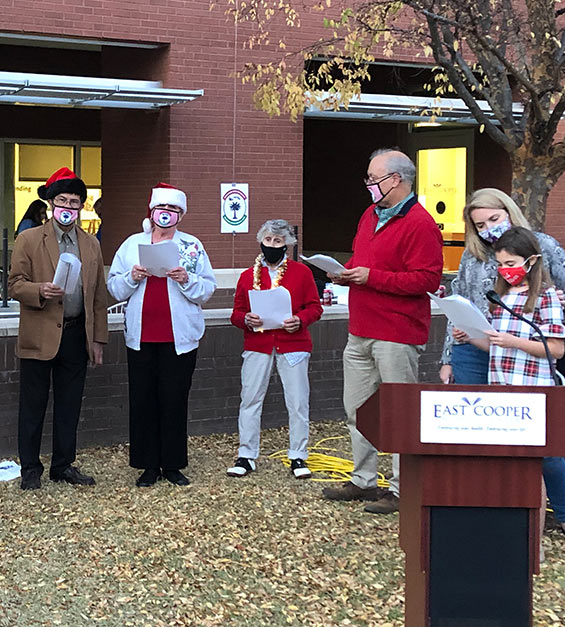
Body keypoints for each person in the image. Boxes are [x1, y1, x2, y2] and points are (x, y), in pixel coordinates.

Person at [440, 190, 565, 549]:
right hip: (491, 366)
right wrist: (461, 342)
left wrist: (554, 307)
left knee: (547, 451)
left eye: (493, 219)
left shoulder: (544, 251)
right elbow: (466, 306)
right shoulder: (482, 270)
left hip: (532, 375)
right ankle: (493, 511)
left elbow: (559, 334)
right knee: (487, 442)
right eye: (479, 224)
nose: (487, 228)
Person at [320, 148, 443, 514]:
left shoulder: (420, 223)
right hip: (361, 327)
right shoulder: (370, 215)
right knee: (357, 407)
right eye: (369, 179)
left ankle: (403, 487)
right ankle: (363, 480)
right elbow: (363, 260)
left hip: (397, 331)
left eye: (374, 179)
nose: (369, 186)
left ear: (398, 180)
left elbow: (427, 279)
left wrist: (371, 277)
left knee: (399, 411)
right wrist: (345, 271)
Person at [107, 183, 216, 487]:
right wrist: (132, 277)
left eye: (172, 210)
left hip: (179, 337)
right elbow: (113, 287)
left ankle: (172, 464)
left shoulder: (191, 246)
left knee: (174, 399)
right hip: (141, 337)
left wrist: (186, 279)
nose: (166, 215)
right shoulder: (131, 245)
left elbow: (206, 290)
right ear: (152, 213)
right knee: (143, 400)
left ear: (180, 215)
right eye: (161, 209)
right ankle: (147, 465)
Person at [8, 167, 109, 490]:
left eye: (75, 202)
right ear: (51, 203)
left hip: (76, 333)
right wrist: (40, 290)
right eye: (63, 201)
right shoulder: (29, 238)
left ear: (82, 207)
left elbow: (98, 295)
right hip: (40, 332)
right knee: (33, 405)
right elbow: (14, 285)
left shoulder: (91, 244)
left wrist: (98, 340)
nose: (69, 207)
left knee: (69, 405)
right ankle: (30, 469)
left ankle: (63, 464)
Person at [228, 219, 322, 479]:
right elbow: (236, 312)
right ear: (261, 241)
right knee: (250, 398)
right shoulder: (248, 276)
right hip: (257, 344)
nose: (272, 245)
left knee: (297, 401)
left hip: (293, 343)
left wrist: (300, 320)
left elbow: (315, 307)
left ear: (287, 245)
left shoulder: (302, 273)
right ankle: (246, 455)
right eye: (268, 240)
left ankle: (298, 456)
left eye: (278, 241)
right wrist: (245, 319)